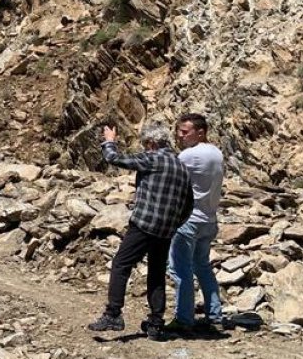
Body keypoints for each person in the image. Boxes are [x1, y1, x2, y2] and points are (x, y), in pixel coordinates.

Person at [88, 122, 193, 341]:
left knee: (121, 264)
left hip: (144, 224)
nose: (144, 148)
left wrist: (109, 141)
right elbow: (188, 204)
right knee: (156, 274)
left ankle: (113, 314)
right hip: (165, 231)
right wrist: (173, 224)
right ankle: (156, 323)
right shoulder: (181, 166)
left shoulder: (153, 158)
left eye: (146, 144)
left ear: (152, 143)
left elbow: (115, 159)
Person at [166, 113, 225, 332]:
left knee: (181, 270)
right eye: (179, 132)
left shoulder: (189, 156)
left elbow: (168, 173)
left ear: (200, 132)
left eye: (185, 132)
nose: (180, 136)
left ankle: (183, 319)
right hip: (209, 220)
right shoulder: (216, 153)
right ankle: (215, 315)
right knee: (203, 267)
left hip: (189, 220)